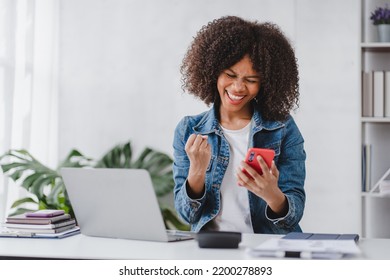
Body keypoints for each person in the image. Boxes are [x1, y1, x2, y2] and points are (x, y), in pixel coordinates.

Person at [172, 16, 306, 234]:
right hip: (213, 250)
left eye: (251, 80)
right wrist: (197, 171)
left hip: (267, 248)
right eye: (230, 75)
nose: (238, 87)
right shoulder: (189, 130)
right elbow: (187, 215)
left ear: (265, 84)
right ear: (213, 71)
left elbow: (293, 215)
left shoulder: (282, 129)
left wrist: (272, 194)